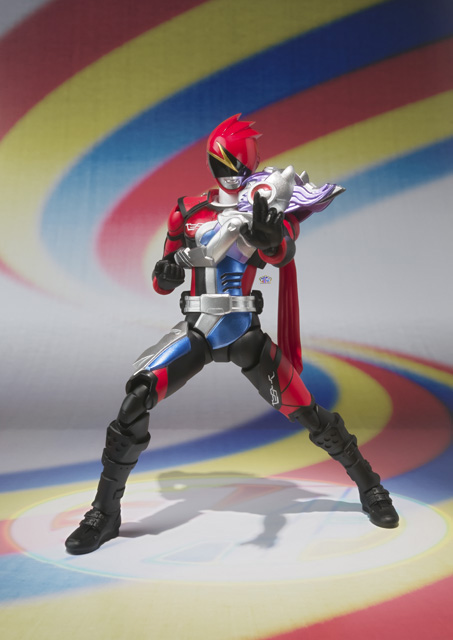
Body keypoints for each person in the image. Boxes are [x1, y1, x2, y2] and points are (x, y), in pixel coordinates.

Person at [65, 114, 398, 555]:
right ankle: (104, 513)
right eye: (221, 163)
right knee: (135, 399)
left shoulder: (266, 208)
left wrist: (270, 236)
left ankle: (371, 486)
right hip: (197, 330)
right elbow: (162, 280)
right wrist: (166, 271)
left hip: (243, 333)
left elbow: (280, 255)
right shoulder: (188, 210)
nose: (228, 173)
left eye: (235, 164)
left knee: (307, 413)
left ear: (250, 164)